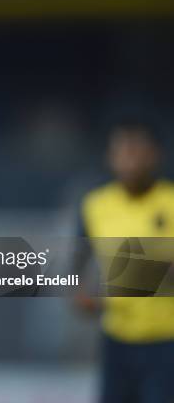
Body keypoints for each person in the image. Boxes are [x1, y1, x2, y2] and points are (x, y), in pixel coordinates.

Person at [77, 121, 174, 403]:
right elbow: (77, 267)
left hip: (166, 342)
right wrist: (83, 296)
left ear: (155, 155)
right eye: (122, 151)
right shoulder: (95, 205)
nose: (129, 160)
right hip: (116, 342)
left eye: (136, 151)